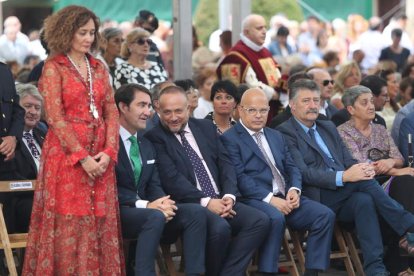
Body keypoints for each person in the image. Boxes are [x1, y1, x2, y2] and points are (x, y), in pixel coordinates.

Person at [22, 6, 125, 275]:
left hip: (101, 157)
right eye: (83, 32)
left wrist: (109, 151)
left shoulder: (99, 67)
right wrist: (82, 156)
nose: (89, 38)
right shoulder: (53, 67)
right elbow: (54, 116)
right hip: (67, 159)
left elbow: (111, 112)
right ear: (67, 32)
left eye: (92, 32)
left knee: (98, 223)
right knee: (71, 224)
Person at [277, 79, 414, 276]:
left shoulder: (327, 127)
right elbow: (303, 173)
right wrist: (346, 176)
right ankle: (407, 224)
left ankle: (375, 269)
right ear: (292, 105)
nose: (313, 105)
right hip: (316, 196)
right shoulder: (285, 132)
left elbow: (348, 159)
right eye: (306, 101)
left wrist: (361, 169)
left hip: (346, 194)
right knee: (366, 185)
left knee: (364, 200)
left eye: (316, 100)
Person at [145, 86, 269, 276]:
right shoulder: (154, 138)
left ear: (188, 108)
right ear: (158, 111)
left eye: (178, 110)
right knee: (220, 229)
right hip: (190, 205)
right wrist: (207, 202)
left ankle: (228, 273)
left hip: (221, 198)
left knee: (259, 221)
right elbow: (172, 180)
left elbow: (226, 163)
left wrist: (229, 195)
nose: (173, 117)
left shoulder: (205, 127)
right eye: (167, 112)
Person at [221, 88, 335, 276]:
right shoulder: (230, 139)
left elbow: (292, 168)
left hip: (286, 196)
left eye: (263, 110)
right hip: (255, 198)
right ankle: (268, 272)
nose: (258, 116)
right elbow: (239, 177)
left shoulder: (275, 135)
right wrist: (270, 199)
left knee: (324, 215)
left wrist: (295, 189)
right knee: (275, 217)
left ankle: (313, 272)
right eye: (252, 110)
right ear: (240, 110)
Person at [114, 83, 206, 276]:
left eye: (149, 106)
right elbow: (111, 189)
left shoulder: (146, 142)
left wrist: (163, 202)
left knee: (195, 212)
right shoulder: (108, 142)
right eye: (142, 105)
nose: (148, 112)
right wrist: (146, 205)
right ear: (123, 107)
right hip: (120, 210)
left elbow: (154, 182)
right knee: (154, 216)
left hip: (150, 209)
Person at [337, 85, 414, 275]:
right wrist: (396, 171)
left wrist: (389, 162)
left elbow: (398, 158)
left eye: (372, 101)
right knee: (405, 180)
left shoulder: (380, 129)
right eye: (364, 102)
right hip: (363, 186)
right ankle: (409, 233)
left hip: (386, 182)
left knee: (408, 180)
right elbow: (359, 166)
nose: (371, 106)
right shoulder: (342, 132)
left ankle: (409, 239)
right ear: (351, 109)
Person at [217, 14, 281, 124]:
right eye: (259, 28)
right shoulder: (235, 56)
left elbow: (277, 76)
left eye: (265, 27)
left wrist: (282, 90)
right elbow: (250, 86)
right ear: (246, 32)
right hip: (252, 118)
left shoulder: (265, 52)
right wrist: (275, 94)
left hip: (274, 111)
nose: (264, 31)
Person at [11, 84, 46, 233]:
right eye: (28, 106)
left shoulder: (43, 130)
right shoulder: (7, 135)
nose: (33, 112)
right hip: (21, 198)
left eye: (37, 108)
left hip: (47, 194)